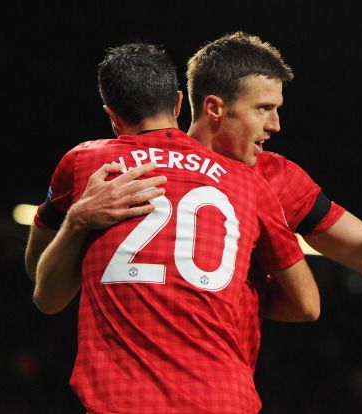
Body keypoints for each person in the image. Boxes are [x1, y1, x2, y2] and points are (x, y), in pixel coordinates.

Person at [57, 32, 362, 374]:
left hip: (219, 392)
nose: (276, 125)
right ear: (214, 107)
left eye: (278, 109)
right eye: (264, 109)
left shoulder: (277, 178)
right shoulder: (129, 167)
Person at [24, 42, 319, 414]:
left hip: (126, 402)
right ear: (179, 104)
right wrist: (222, 294)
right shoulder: (247, 182)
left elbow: (43, 289)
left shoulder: (89, 164)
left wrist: (78, 220)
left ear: (112, 116)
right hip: (225, 400)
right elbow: (308, 305)